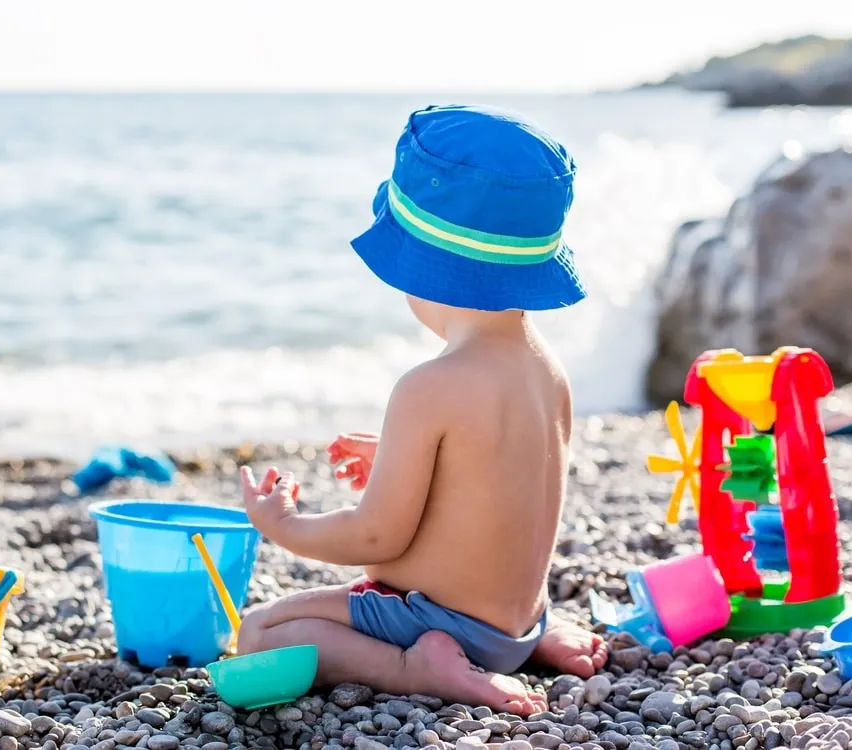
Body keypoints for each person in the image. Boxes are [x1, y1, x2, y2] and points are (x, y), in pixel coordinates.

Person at [236, 105, 607, 714]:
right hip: (516, 622)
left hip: (442, 623)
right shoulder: (548, 369)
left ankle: (417, 669)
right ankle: (535, 640)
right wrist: (400, 461)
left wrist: (285, 527)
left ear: (426, 267)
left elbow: (377, 536)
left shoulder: (429, 386)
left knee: (261, 633)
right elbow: (507, 486)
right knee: (466, 608)